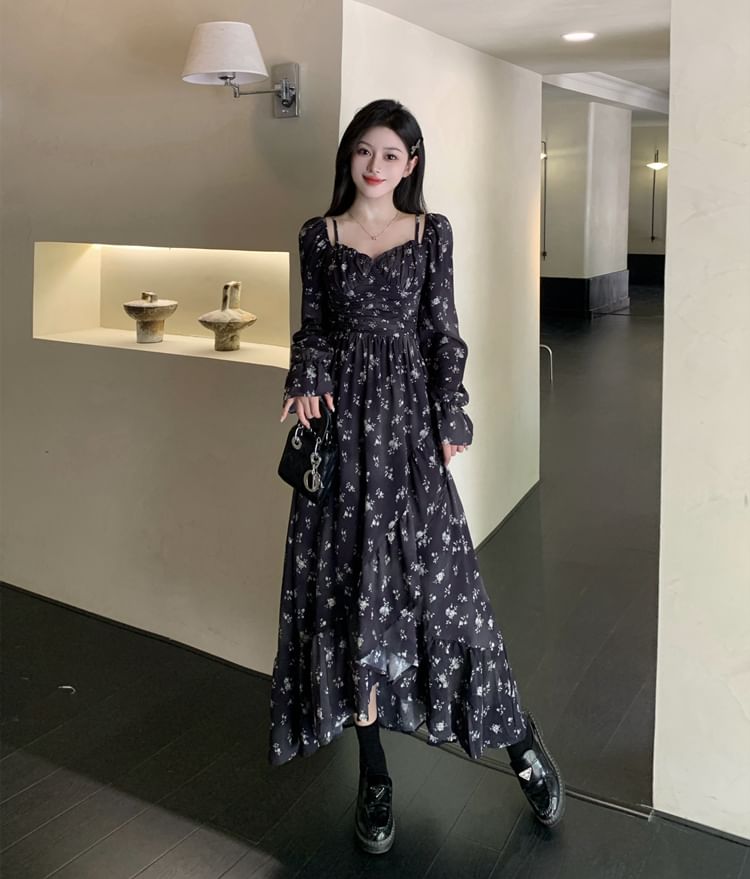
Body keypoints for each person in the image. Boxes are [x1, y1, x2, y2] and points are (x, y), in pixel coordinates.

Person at [268, 98, 564, 854]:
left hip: (407, 429)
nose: (375, 166)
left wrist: (451, 412)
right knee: (350, 595)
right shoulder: (319, 235)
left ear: (412, 163)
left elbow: (442, 332)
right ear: (350, 155)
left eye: (391, 154)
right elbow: (314, 328)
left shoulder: (432, 233)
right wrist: (306, 376)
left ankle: (519, 739)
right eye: (364, 151)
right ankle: (374, 775)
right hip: (343, 436)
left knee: (447, 591)